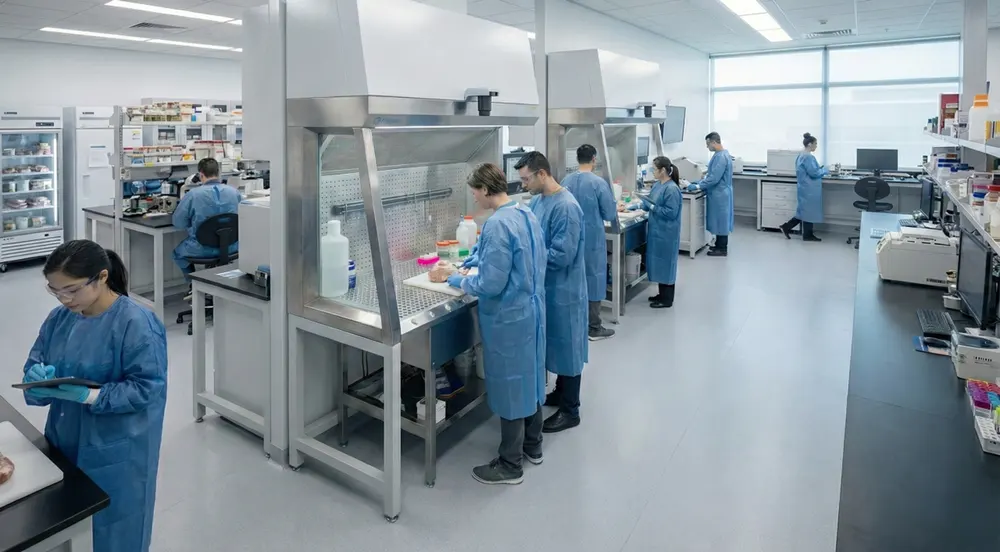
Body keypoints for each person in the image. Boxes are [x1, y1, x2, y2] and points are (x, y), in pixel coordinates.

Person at [21, 240, 168, 552]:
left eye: (71, 290)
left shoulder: (136, 324)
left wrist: (88, 396)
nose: (63, 298)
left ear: (101, 277)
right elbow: (36, 365)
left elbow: (148, 388)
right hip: (63, 439)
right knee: (67, 528)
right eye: (54, 290)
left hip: (117, 450)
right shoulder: (58, 320)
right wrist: (35, 379)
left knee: (116, 529)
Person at [448, 163, 546, 485]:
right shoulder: (524, 213)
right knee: (530, 376)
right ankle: (533, 446)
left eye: (475, 191)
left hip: (509, 317)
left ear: (486, 189)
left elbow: (491, 284)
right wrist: (480, 255)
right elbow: (527, 256)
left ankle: (509, 464)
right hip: (530, 310)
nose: (474, 197)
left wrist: (459, 281)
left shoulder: (496, 225)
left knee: (510, 384)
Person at [517, 151, 588, 433]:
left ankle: (571, 410)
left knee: (568, 344)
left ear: (542, 174)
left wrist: (528, 259)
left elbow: (562, 254)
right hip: (546, 287)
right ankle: (560, 391)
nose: (523, 185)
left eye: (525, 179)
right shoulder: (538, 201)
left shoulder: (567, 206)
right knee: (555, 344)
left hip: (564, 289)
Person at [562, 144, 617, 341]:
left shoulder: (566, 181)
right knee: (594, 278)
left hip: (569, 238)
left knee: (573, 279)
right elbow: (609, 213)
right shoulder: (598, 183)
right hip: (592, 238)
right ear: (594, 158)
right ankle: (594, 327)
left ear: (577, 159)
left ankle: (574, 325)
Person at [171, 157, 241, 283]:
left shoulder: (193, 194)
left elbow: (178, 223)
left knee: (178, 254)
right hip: (232, 247)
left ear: (201, 174)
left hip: (201, 248)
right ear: (218, 173)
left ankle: (193, 286)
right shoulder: (234, 192)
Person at [640, 156, 683, 309]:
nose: (653, 171)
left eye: (654, 169)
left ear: (663, 170)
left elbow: (670, 213)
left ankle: (667, 299)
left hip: (667, 233)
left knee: (666, 264)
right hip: (657, 231)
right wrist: (638, 204)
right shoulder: (658, 185)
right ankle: (661, 294)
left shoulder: (672, 189)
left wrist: (652, 208)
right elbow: (650, 202)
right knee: (658, 263)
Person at [687, 132, 734, 256]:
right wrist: (701, 181)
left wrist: (698, 185)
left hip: (720, 193)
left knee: (721, 221)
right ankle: (719, 245)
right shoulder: (720, 155)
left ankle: (722, 248)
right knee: (719, 220)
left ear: (714, 142)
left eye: (708, 144)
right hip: (719, 192)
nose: (707, 147)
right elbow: (711, 174)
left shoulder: (721, 157)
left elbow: (714, 178)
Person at [780, 132, 828, 242]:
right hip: (810, 188)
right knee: (808, 211)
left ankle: (787, 227)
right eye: (815, 144)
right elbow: (814, 173)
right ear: (810, 144)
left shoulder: (801, 155)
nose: (816, 146)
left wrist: (818, 169)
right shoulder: (808, 157)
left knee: (803, 211)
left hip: (804, 187)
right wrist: (825, 170)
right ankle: (807, 235)